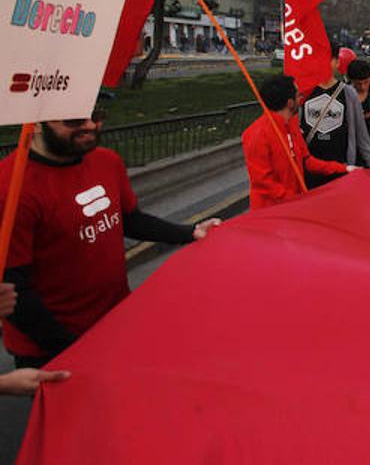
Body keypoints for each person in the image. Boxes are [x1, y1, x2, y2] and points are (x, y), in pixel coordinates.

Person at [0, 111, 222, 369]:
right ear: (35, 123)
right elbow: (13, 289)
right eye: (74, 120)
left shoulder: (107, 161)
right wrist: (72, 349)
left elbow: (129, 219)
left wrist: (189, 231)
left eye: (96, 116)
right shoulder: (10, 188)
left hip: (114, 321)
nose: (90, 126)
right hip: (52, 347)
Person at [243, 75, 355, 209]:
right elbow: (263, 182)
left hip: (293, 206)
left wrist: (344, 168)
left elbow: (307, 161)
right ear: (290, 103)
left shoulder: (292, 124)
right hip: (270, 213)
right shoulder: (257, 134)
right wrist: (298, 199)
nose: (301, 98)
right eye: (298, 95)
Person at [297, 50, 370, 184]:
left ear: (337, 62)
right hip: (310, 169)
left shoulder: (348, 93)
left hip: (342, 166)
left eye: (328, 60)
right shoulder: (304, 93)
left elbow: (361, 134)